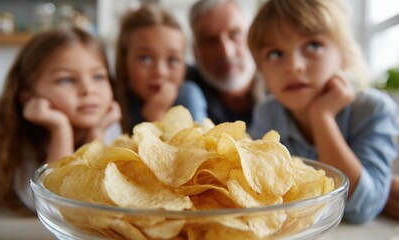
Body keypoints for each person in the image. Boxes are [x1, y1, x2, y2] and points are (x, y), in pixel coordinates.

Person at [247, 0, 399, 224]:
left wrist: (323, 117)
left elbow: (362, 209)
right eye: (276, 54)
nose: (294, 66)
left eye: (313, 46)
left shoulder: (374, 110)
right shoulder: (267, 113)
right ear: (262, 70)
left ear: (344, 55)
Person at [0, 27, 122, 212]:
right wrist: (60, 130)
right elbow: (49, 205)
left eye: (98, 76)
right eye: (66, 80)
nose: (88, 89)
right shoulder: (21, 139)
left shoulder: (108, 124)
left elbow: (98, 197)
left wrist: (96, 135)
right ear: (29, 98)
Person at [114, 4, 207, 134]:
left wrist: (156, 116)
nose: (160, 72)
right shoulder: (114, 102)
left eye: (173, 60)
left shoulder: (189, 96)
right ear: (124, 64)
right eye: (145, 58)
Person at [188, 0, 261, 129]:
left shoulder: (285, 84)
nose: (226, 52)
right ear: (195, 52)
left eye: (235, 34)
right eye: (210, 40)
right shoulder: (182, 95)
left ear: (254, 37)